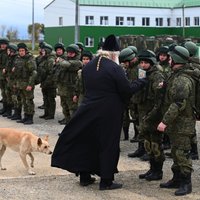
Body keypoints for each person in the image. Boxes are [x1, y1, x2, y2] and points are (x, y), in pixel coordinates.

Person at [51, 34, 147, 190]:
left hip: (88, 109)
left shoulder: (89, 66)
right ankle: (106, 181)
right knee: (108, 145)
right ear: (115, 53)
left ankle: (84, 176)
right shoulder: (115, 68)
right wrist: (141, 81)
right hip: (108, 113)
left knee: (87, 142)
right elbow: (126, 90)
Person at [158, 46, 196, 196]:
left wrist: (164, 122)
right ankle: (177, 178)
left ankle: (186, 183)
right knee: (175, 151)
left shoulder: (183, 80)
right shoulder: (176, 75)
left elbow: (178, 104)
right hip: (176, 122)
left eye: (171, 58)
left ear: (176, 60)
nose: (169, 60)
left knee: (182, 153)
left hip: (182, 123)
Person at [119, 47, 139, 141]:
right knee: (124, 116)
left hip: (135, 97)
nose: (125, 64)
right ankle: (126, 135)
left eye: (126, 62)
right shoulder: (127, 69)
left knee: (135, 116)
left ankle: (137, 134)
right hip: (127, 96)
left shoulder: (138, 69)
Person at [14, 43, 37, 125]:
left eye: (23, 50)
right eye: (20, 51)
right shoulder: (18, 58)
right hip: (20, 84)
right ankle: (26, 116)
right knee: (24, 101)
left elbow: (33, 73)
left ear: (26, 51)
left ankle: (30, 118)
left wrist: (30, 85)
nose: (21, 52)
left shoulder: (30, 59)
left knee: (29, 101)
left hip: (27, 84)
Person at [38, 43, 57, 120]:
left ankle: (51, 114)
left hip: (50, 84)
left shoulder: (50, 59)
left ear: (47, 51)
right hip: (45, 83)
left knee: (50, 99)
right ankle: (46, 113)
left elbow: (51, 73)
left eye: (43, 51)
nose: (42, 52)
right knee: (45, 99)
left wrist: (46, 82)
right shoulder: (44, 58)